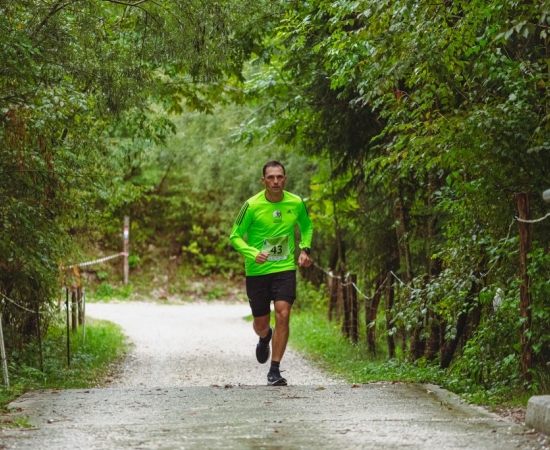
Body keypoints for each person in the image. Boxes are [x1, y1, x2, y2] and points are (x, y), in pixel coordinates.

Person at [229, 161, 313, 386]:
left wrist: (305, 249)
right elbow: (235, 236)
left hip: (284, 269)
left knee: (283, 313)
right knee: (261, 324)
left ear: (285, 179)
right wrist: (252, 252)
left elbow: (306, 226)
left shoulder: (296, 202)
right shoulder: (251, 205)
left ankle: (274, 370)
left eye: (279, 177)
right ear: (263, 180)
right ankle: (265, 336)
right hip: (257, 271)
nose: (275, 181)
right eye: (271, 177)